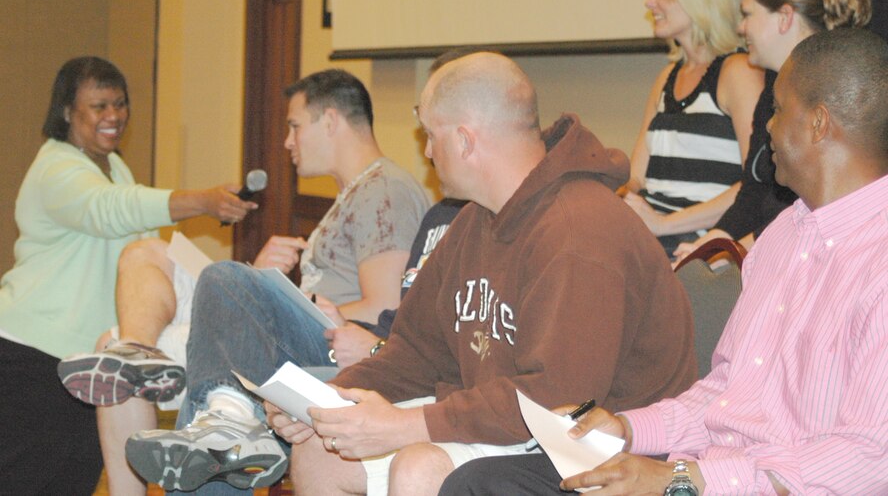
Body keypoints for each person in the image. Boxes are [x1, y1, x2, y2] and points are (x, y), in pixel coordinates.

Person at [441, 28, 888, 496]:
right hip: (704, 476)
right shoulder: (781, 237)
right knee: (483, 484)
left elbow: (867, 459)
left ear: (818, 124)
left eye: (777, 109)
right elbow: (724, 395)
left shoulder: (876, 262)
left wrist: (681, 481)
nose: (769, 128)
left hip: (742, 486)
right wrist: (625, 431)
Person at [254, 52, 697, 496]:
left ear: (465, 140)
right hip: (511, 426)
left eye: (431, 136)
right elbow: (416, 352)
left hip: (597, 452)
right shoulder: (473, 221)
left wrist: (406, 426)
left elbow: (557, 402)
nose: (426, 152)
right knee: (320, 450)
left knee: (420, 466)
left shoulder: (579, 230)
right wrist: (325, 401)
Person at [123, 68, 430, 493]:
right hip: (319, 341)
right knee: (219, 399)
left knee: (224, 281)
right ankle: (225, 421)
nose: (287, 141)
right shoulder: (358, 192)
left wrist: (270, 296)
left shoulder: (385, 191)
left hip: (346, 353)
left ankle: (201, 396)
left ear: (330, 120)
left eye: (294, 126)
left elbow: (383, 307)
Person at [0, 56, 256, 494]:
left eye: (120, 104)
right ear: (66, 112)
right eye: (99, 106)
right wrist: (201, 201)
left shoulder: (113, 167)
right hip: (33, 354)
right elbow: (114, 210)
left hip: (88, 361)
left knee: (71, 482)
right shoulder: (56, 167)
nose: (114, 116)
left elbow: (147, 253)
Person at [673, 0, 871, 263]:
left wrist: (732, 254)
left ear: (785, 17)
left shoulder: (830, 94)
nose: (741, 28)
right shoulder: (772, 87)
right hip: (769, 250)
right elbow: (753, 192)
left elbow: (805, 211)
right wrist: (713, 242)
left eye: (748, 14)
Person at [622, 0, 763, 256]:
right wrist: (621, 197)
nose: (650, 2)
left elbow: (756, 186)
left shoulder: (736, 73)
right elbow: (637, 175)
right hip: (653, 237)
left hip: (694, 247)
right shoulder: (666, 77)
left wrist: (664, 223)